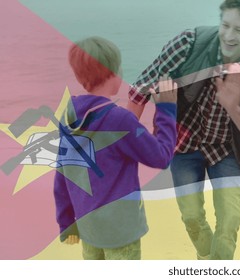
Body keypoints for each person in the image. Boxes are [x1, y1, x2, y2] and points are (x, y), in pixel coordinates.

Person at [127, 0, 240, 260]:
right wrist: (122, 143)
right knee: (192, 217)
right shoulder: (188, 43)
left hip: (228, 150)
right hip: (183, 143)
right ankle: (207, 259)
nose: (229, 37)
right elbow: (141, 89)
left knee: (229, 222)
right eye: (226, 25)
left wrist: (234, 109)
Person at [54, 36, 177, 260]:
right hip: (120, 230)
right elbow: (161, 157)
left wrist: (65, 222)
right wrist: (167, 109)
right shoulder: (120, 120)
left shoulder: (68, 115)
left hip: (87, 226)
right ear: (113, 73)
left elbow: (62, 172)